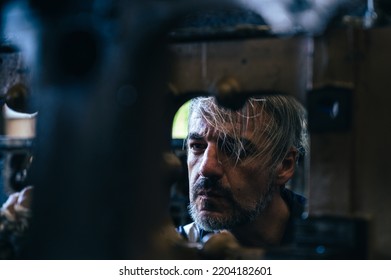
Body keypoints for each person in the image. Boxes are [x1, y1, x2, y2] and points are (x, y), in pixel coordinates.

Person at [177, 95, 308, 249]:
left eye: (234, 150)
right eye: (197, 146)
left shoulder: (327, 246)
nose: (206, 168)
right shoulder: (174, 253)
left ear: (285, 165)